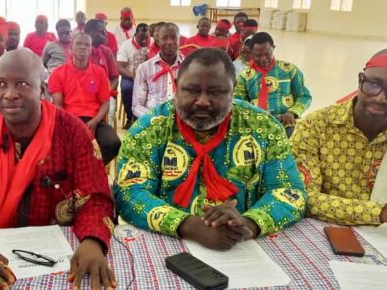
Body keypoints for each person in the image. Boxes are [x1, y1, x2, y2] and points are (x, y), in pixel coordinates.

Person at [0, 48, 116, 290]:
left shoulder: (73, 131)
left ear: (43, 90)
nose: (10, 94)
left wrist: (92, 242)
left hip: (64, 254)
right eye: (0, 84)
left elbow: (97, 198)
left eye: (22, 84)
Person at [114, 48, 306, 249]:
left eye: (215, 92)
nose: (203, 102)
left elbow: (290, 190)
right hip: (167, 246)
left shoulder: (264, 127)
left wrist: (248, 224)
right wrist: (190, 226)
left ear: (234, 89)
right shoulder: (149, 128)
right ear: (177, 86)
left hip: (243, 248)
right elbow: (129, 192)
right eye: (192, 90)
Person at [291, 47, 387, 230]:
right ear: (360, 80)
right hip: (325, 232)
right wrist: (385, 213)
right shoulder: (317, 126)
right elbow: (303, 197)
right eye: (374, 84)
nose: (381, 98)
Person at [49, 33, 121, 165]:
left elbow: (105, 103)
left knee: (112, 142)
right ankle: (78, 171)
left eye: (87, 45)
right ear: (71, 48)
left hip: (94, 121)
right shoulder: (58, 73)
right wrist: (73, 124)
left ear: (90, 50)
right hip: (68, 120)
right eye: (78, 44)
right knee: (55, 146)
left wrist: (96, 120)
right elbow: (57, 105)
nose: (83, 47)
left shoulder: (99, 72)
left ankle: (91, 168)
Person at [234, 32, 311, 137]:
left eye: (267, 54)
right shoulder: (245, 76)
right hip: (256, 125)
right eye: (258, 56)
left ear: (273, 48)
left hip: (286, 124)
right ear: (251, 53)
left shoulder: (289, 69)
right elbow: (238, 102)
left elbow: (304, 96)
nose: (263, 59)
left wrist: (292, 112)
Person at [132, 23, 183, 118]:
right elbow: (137, 105)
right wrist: (154, 119)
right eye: (164, 38)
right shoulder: (144, 68)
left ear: (179, 39)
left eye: (173, 37)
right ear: (158, 40)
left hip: (181, 120)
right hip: (152, 119)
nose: (169, 42)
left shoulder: (188, 67)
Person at [85, 19, 119, 127]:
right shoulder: (81, 52)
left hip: (105, 93)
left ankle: (105, 135)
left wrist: (106, 92)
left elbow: (115, 77)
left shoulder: (106, 51)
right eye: (101, 32)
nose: (105, 34)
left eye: (105, 31)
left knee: (109, 110)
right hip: (84, 94)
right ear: (90, 33)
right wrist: (93, 92)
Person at [117, 23, 151, 129]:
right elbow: (120, 67)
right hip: (130, 76)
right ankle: (130, 117)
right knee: (127, 88)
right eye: (141, 38)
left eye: (147, 38)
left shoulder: (154, 42)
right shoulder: (126, 45)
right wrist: (134, 76)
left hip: (150, 77)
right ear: (135, 35)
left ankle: (148, 118)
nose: (144, 41)